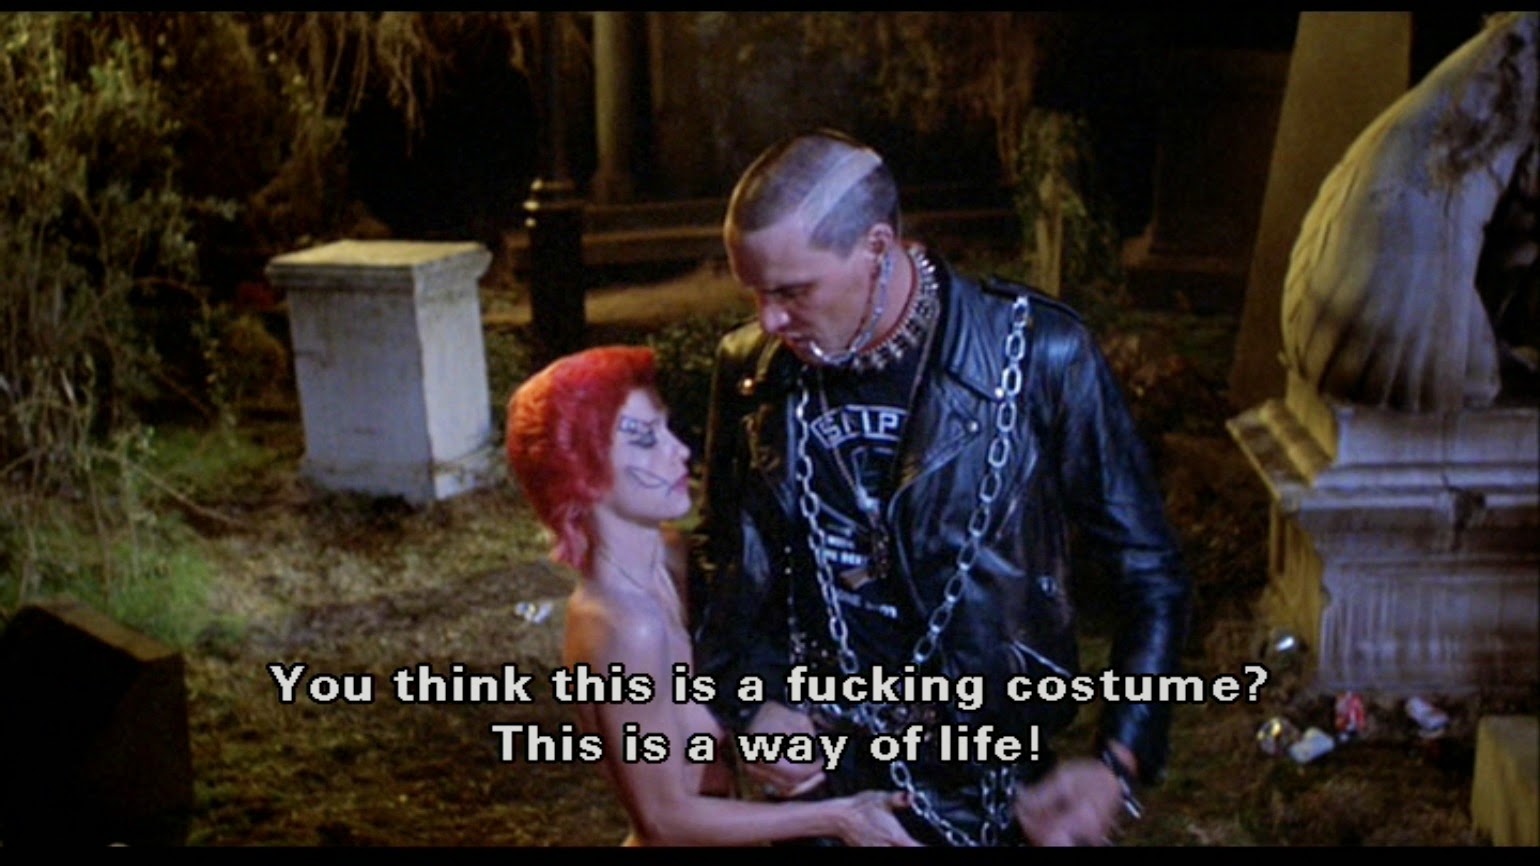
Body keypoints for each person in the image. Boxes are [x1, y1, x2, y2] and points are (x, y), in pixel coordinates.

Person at [690, 130, 1192, 847]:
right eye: (755, 292)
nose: (768, 319)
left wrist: (1120, 759)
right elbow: (723, 555)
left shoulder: (1038, 354)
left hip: (995, 780)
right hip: (826, 781)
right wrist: (752, 703)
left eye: (792, 291)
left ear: (877, 246)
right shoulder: (753, 370)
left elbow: (1150, 573)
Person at [505, 345, 921, 847]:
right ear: (582, 473)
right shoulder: (620, 626)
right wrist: (840, 817)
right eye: (644, 439)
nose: (678, 450)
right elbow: (664, 819)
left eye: (664, 427)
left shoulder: (675, 560)